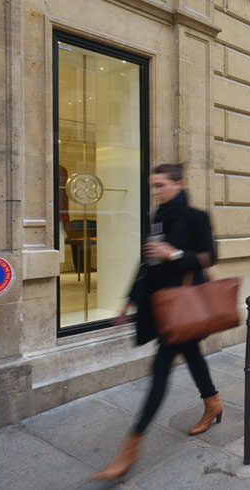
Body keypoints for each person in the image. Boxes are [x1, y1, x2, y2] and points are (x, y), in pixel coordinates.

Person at [92, 164, 221, 480]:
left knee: (159, 371)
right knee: (191, 355)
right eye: (152, 186)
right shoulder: (159, 217)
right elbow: (147, 262)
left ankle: (129, 449)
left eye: (161, 185)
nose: (156, 191)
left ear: (179, 184)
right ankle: (213, 402)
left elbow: (209, 256)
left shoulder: (195, 217)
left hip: (185, 304)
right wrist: (129, 301)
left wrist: (174, 254)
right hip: (162, 306)